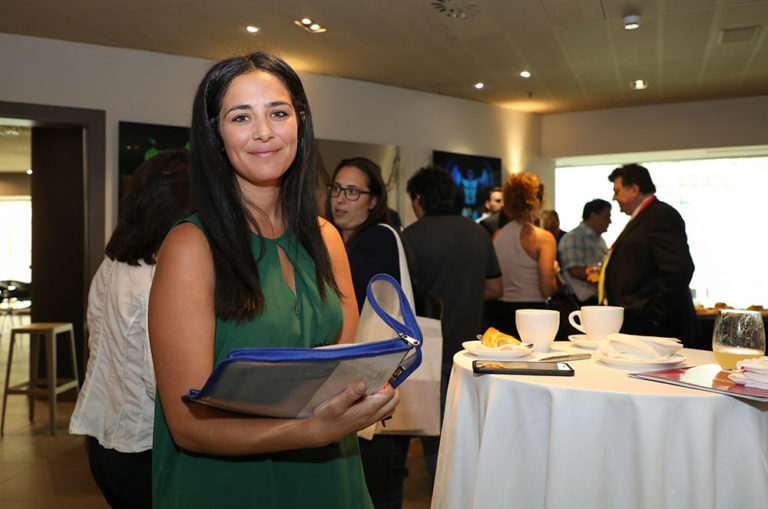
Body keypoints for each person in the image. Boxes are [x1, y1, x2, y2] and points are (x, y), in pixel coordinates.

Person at [148, 52, 398, 508]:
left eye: (278, 113)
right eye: (241, 117)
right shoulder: (191, 246)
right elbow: (187, 425)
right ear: (215, 134)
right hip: (229, 486)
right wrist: (311, 431)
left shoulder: (326, 239)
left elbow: (343, 369)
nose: (264, 131)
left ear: (300, 123)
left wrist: (371, 389)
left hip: (331, 476)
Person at [69, 148, 193, 509]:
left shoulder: (112, 263)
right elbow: (165, 381)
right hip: (146, 448)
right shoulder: (162, 278)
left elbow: (96, 339)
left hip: (103, 440)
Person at [403, 165, 502, 478]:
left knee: (435, 434)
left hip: (428, 351)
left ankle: (443, 491)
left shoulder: (411, 236)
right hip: (472, 349)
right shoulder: (478, 233)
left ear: (419, 199)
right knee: (471, 428)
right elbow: (495, 288)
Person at [327, 156, 411, 509]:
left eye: (352, 192)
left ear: (373, 201)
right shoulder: (345, 241)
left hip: (376, 385)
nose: (340, 199)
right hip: (366, 386)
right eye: (336, 189)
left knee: (377, 488)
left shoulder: (377, 239)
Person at [603, 163, 698, 345]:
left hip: (655, 328)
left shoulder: (661, 215)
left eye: (617, 191)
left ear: (634, 189)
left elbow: (679, 269)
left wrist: (656, 314)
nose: (614, 198)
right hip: (642, 324)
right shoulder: (645, 217)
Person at [491, 173, 558, 339]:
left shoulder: (497, 235)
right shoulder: (543, 238)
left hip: (501, 311)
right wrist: (554, 273)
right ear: (537, 201)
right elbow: (546, 290)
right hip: (534, 315)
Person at [558, 199, 611, 306]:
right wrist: (607, 275)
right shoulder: (573, 238)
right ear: (593, 216)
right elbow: (575, 270)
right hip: (580, 302)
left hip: (597, 299)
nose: (610, 221)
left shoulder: (600, 240)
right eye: (606, 217)